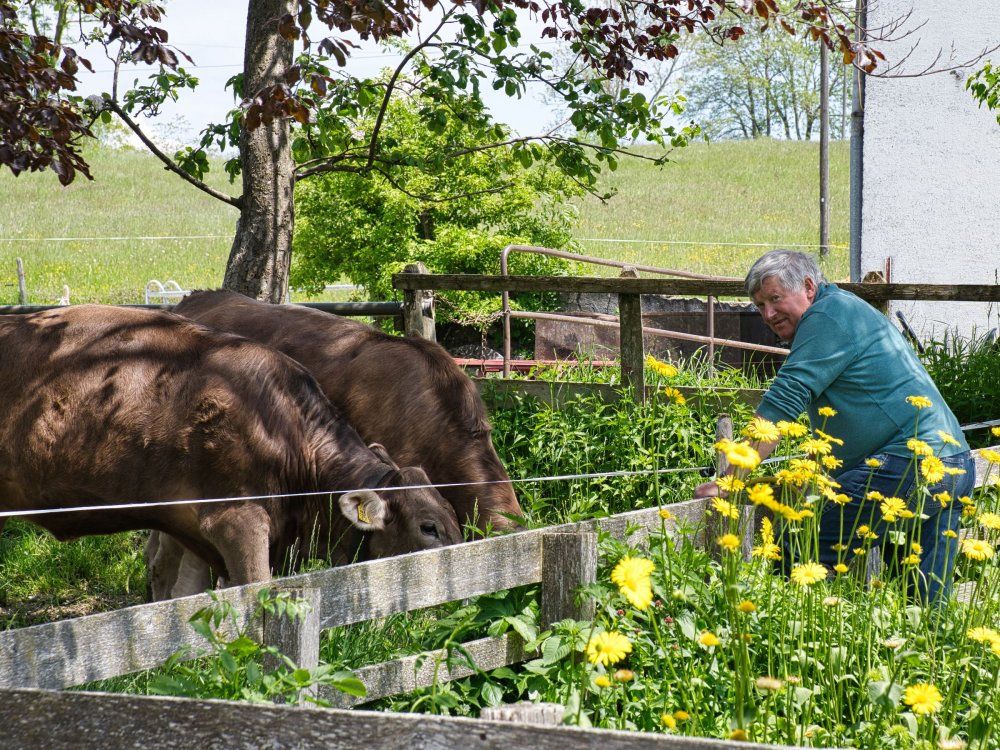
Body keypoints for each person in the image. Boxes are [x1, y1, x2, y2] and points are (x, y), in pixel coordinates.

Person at [696, 249, 975, 603]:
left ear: (809, 287)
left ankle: (786, 643)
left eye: (775, 299)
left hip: (910, 464)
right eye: (759, 305)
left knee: (797, 549)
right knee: (923, 606)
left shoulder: (827, 316)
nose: (767, 314)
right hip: (952, 462)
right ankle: (929, 654)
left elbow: (786, 399)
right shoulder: (847, 311)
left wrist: (732, 478)